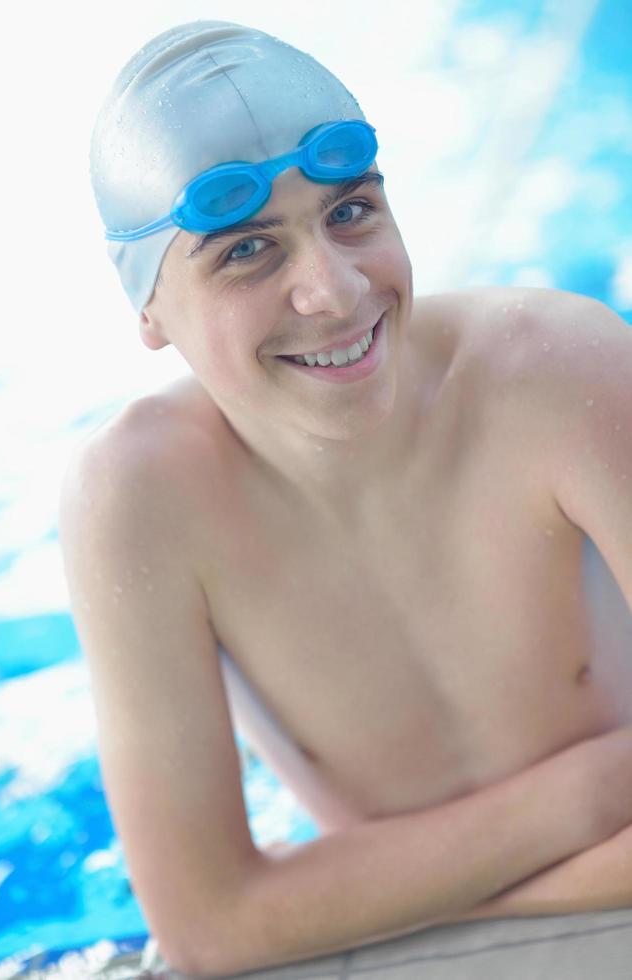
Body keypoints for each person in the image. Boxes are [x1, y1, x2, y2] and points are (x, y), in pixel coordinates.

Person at [59, 20, 632, 978]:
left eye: (352, 212)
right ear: (148, 313)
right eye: (246, 251)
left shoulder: (561, 370)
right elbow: (209, 929)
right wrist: (594, 797)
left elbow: (242, 920)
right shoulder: (136, 502)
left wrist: (420, 911)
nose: (334, 288)